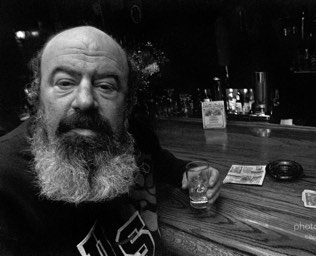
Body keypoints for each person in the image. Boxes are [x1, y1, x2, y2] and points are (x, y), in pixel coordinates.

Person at [0, 26, 221, 255]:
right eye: (65, 83)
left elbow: (162, 162)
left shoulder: (132, 136)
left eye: (106, 86)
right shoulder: (6, 183)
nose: (85, 101)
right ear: (37, 97)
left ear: (127, 105)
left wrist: (187, 172)